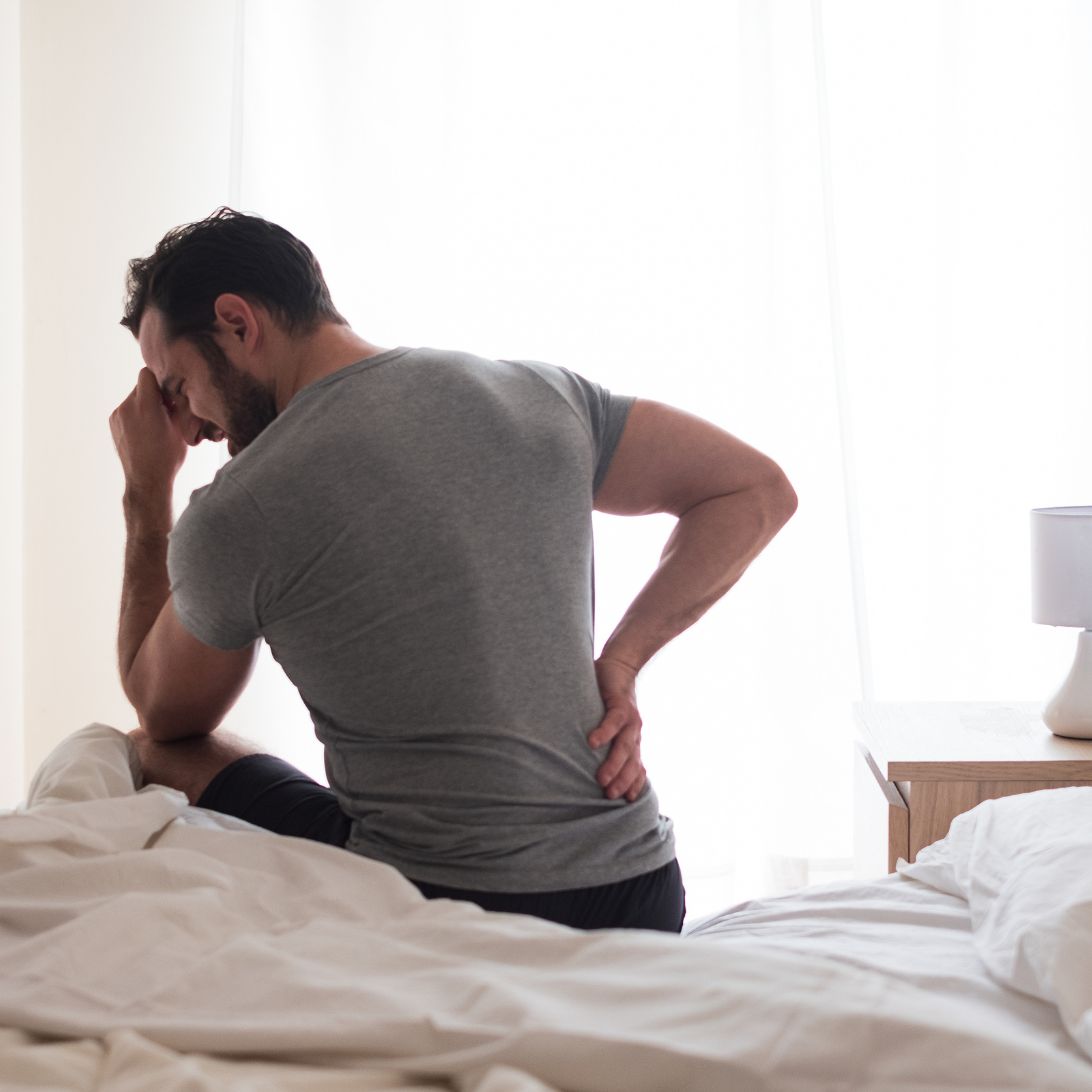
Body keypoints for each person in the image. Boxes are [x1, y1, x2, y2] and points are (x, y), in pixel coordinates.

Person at [109, 208, 797, 933]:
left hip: (449, 900)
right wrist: (620, 662)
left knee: (153, 751)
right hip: (640, 891)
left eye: (177, 385)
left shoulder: (239, 508)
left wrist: (145, 491)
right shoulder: (538, 394)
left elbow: (163, 712)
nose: (190, 425)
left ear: (237, 323)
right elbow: (754, 490)